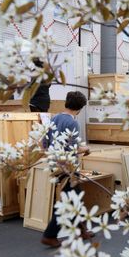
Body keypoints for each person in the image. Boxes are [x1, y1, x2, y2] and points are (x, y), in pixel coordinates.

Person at [41, 91, 89, 248]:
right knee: (69, 200)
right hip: (68, 167)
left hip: (56, 165)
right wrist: (86, 149)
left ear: (66, 102)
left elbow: (44, 143)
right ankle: (50, 234)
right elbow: (72, 148)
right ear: (80, 108)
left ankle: (82, 230)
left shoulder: (54, 118)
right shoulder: (73, 123)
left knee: (76, 197)